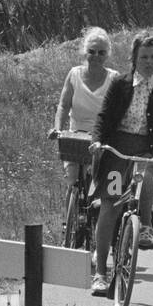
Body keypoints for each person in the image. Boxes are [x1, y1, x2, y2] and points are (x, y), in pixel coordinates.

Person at [89, 32, 153, 294]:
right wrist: (97, 141)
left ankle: (146, 228)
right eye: (144, 57)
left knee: (145, 177)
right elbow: (103, 116)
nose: (149, 62)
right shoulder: (119, 83)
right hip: (117, 150)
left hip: (147, 150)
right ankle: (100, 273)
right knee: (111, 205)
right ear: (134, 58)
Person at [49, 27, 119, 188]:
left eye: (101, 53)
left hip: (100, 139)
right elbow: (64, 105)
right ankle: (71, 210)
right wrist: (57, 129)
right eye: (92, 51)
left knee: (95, 186)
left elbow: (117, 113)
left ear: (107, 55)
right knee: (71, 181)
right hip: (75, 138)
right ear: (84, 52)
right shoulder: (74, 75)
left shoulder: (114, 78)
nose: (96, 56)